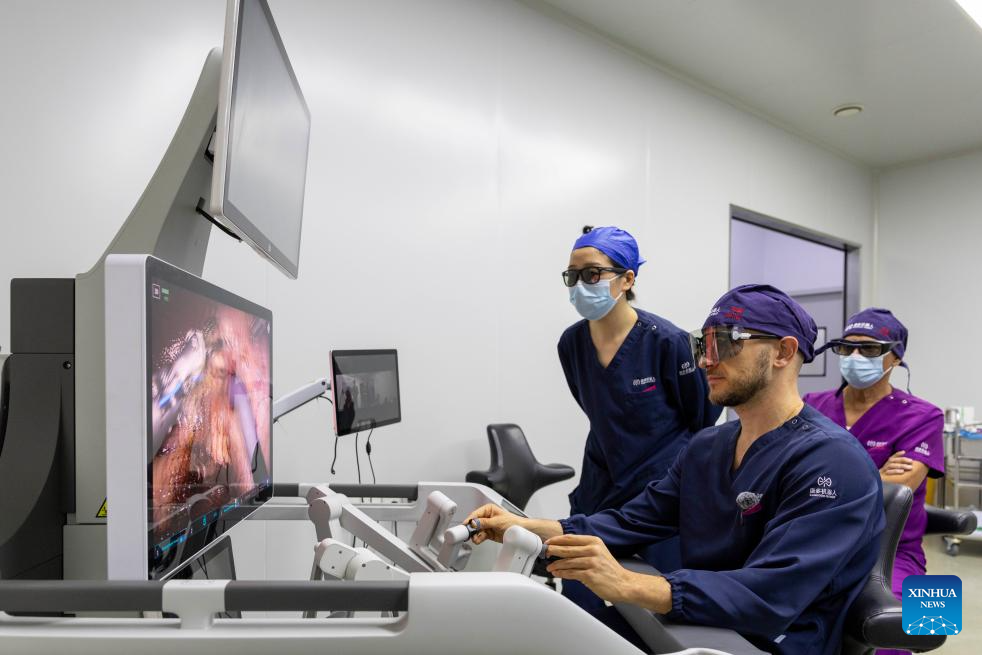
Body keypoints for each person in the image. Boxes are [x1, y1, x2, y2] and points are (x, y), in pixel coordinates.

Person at [468, 284, 884, 655]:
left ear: (784, 352)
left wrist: (629, 583)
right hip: (699, 623)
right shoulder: (707, 447)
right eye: (703, 345)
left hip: (770, 639)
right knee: (542, 636)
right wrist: (526, 527)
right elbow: (633, 521)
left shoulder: (831, 461)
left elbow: (772, 592)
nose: (706, 360)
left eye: (727, 343)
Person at [558, 225, 720, 609]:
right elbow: (596, 408)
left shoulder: (670, 342)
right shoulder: (571, 343)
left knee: (651, 610)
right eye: (573, 275)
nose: (580, 284)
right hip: (600, 486)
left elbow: (702, 415)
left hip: (659, 493)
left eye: (592, 273)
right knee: (583, 601)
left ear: (627, 279)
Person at [803, 309, 943, 619]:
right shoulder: (812, 405)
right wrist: (874, 475)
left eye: (868, 349)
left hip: (891, 550)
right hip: (816, 542)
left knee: (922, 620)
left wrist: (825, 483)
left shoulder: (924, 416)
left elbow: (896, 491)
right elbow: (790, 479)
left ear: (895, 357)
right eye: (846, 347)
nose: (854, 357)